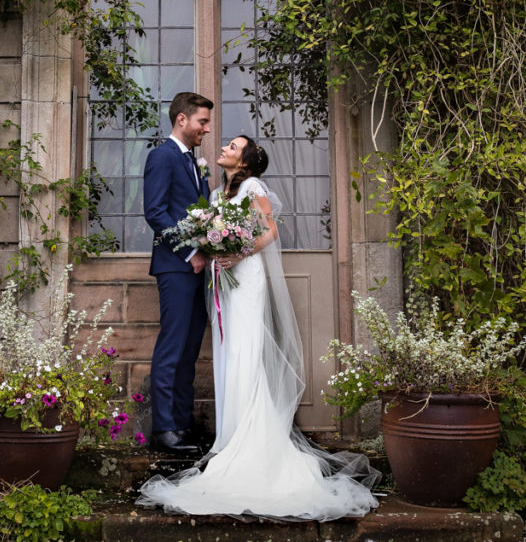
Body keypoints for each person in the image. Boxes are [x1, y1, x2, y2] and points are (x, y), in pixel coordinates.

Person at [137, 135, 381, 520]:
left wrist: (237, 252)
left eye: (234, 146)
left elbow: (269, 233)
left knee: (246, 349)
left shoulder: (251, 187)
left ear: (246, 162)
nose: (225, 147)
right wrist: (213, 246)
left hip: (246, 277)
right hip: (223, 280)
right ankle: (231, 435)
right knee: (228, 350)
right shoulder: (218, 195)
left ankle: (253, 439)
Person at [143, 91, 214, 455]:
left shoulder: (196, 163)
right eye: (202, 122)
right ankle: (164, 429)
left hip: (197, 267)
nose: (206, 129)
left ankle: (183, 425)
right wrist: (189, 252)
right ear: (182, 120)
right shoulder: (162, 156)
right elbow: (155, 213)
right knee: (172, 345)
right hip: (176, 266)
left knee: (189, 349)